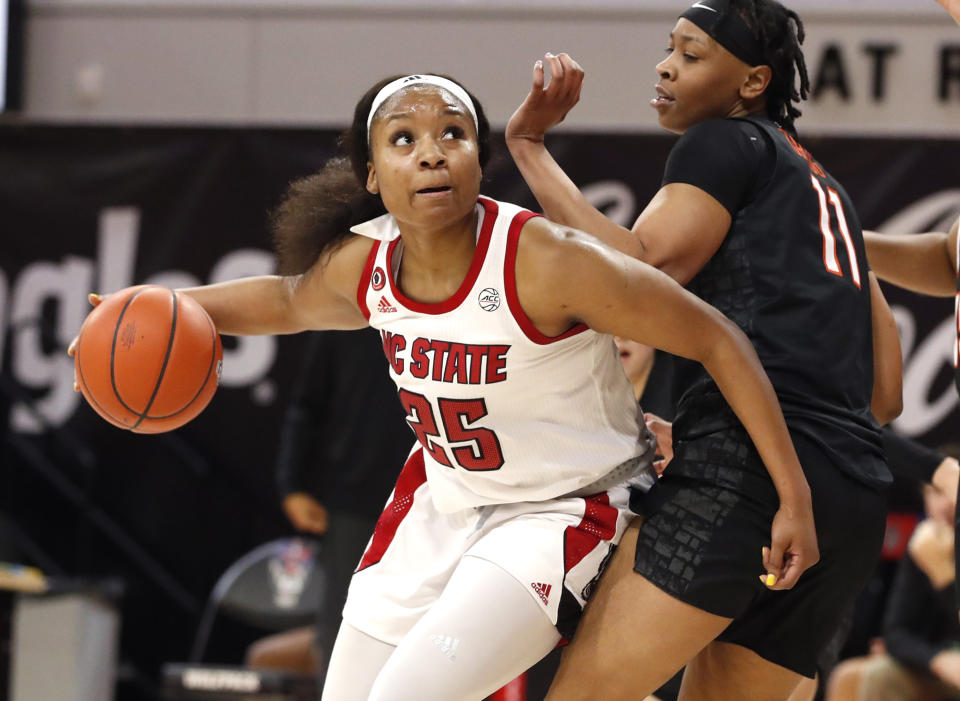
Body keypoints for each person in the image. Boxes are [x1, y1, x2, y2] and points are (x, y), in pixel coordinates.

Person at [72, 72, 818, 701]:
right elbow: (287, 300)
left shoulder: (547, 260)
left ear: (477, 158)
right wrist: (155, 308)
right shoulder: (367, 263)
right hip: (439, 502)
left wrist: (794, 494)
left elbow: (719, 337)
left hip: (557, 513)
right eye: (404, 139)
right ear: (372, 174)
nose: (431, 153)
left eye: (453, 135)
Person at [504, 0, 903, 698]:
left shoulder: (723, 143)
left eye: (691, 54)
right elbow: (886, 396)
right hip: (851, 497)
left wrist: (530, 150)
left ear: (751, 83)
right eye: (670, 49)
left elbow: (643, 268)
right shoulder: (833, 194)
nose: (665, 65)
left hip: (749, 477)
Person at [245, 329, 413, 681]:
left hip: (437, 499)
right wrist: (292, 484)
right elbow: (307, 403)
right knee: (341, 631)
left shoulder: (450, 309)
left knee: (429, 632)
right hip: (353, 504)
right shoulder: (349, 309)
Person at [826, 467, 960, 701]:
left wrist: (946, 579)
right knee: (847, 676)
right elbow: (895, 632)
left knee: (879, 677)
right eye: (936, 492)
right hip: (940, 658)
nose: (946, 504)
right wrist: (936, 658)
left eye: (954, 491)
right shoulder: (924, 543)